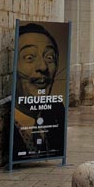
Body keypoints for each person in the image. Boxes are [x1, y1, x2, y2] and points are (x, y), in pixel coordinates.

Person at [13, 23, 65, 158]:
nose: (43, 66)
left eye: (49, 58)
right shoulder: (8, 123)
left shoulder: (58, 112)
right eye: (29, 57)